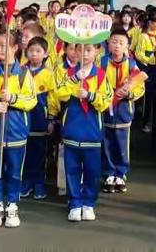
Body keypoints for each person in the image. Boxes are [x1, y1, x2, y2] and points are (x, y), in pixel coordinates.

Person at [0, 31, 37, 228]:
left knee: (14, 172)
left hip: (17, 131)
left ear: (14, 48)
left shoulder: (24, 73)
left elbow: (31, 100)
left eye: (4, 46)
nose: (0, 49)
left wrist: (13, 99)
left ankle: (12, 204)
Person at [56, 43, 113, 222]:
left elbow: (106, 100)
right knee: (71, 169)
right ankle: (74, 203)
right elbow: (59, 93)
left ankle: (88, 202)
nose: (85, 54)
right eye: (80, 50)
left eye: (89, 50)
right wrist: (74, 80)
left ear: (97, 51)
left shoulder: (101, 75)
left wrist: (90, 96)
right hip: (72, 129)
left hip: (92, 132)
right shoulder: (69, 74)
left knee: (92, 170)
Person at [100, 28, 145, 194]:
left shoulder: (132, 65)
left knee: (122, 144)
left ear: (127, 46)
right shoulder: (102, 63)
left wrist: (130, 93)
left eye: (121, 43)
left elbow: (140, 87)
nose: (117, 46)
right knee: (106, 142)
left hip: (124, 110)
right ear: (108, 44)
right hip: (105, 109)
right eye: (114, 42)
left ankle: (121, 172)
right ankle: (108, 173)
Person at [21, 37, 57, 200]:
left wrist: (51, 118)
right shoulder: (20, 71)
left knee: (40, 152)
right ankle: (26, 181)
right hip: (23, 119)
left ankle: (39, 183)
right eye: (31, 51)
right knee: (25, 152)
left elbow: (53, 98)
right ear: (26, 52)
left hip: (40, 120)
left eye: (38, 51)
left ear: (45, 54)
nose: (34, 54)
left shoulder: (48, 75)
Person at [134, 8, 156, 132]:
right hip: (149, 68)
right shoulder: (143, 35)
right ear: (150, 22)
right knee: (149, 96)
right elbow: (139, 53)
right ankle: (147, 122)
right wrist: (150, 58)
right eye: (155, 22)